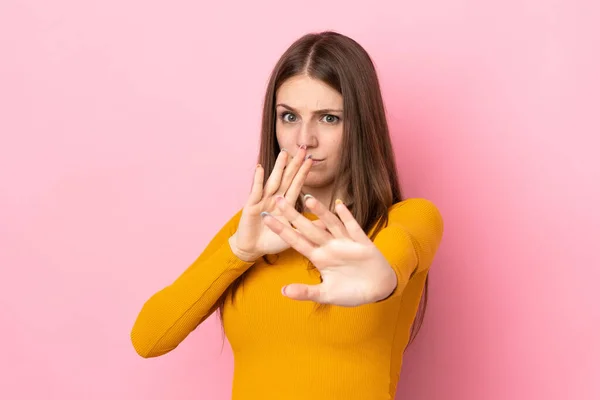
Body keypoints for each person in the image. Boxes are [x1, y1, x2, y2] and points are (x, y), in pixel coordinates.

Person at [130, 31, 444, 400]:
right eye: (289, 116)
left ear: (361, 124)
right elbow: (150, 338)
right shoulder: (249, 229)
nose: (304, 139)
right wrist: (239, 253)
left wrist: (383, 278)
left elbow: (395, 254)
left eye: (329, 118)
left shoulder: (405, 220)